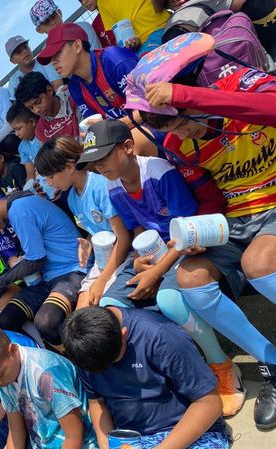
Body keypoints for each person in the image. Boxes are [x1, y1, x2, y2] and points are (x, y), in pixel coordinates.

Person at [133, 64, 276, 428]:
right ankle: (273, 364)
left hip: (275, 200)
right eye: (173, 129)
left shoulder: (240, 83)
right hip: (236, 220)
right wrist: (197, 234)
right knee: (190, 278)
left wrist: (188, 97)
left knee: (258, 263)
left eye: (184, 122)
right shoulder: (176, 144)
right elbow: (211, 197)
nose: (185, 133)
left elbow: (275, 108)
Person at [76, 119, 241, 417]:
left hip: (186, 247)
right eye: (94, 161)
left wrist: (156, 272)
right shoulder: (114, 187)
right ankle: (161, 367)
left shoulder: (159, 172)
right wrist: (141, 261)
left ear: (128, 147)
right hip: (151, 252)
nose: (99, 166)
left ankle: (219, 363)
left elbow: (188, 228)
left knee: (169, 300)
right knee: (112, 306)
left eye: (103, 157)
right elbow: (138, 229)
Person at [62, 307, 228, 449]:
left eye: (114, 361)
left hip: (184, 432)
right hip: (130, 437)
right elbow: (97, 403)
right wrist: (106, 444)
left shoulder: (161, 337)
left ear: (124, 335)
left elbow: (209, 403)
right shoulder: (83, 350)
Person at [0, 192, 84, 351]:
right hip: (47, 277)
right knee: (5, 321)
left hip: (70, 270)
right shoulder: (15, 209)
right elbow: (31, 256)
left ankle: (73, 358)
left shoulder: (19, 211)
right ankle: (41, 354)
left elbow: (35, 261)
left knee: (45, 322)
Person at [34, 136, 132, 307]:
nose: (49, 183)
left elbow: (123, 237)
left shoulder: (100, 187)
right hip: (104, 258)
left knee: (99, 305)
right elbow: (98, 229)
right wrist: (88, 242)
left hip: (124, 255)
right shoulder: (72, 198)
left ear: (70, 167)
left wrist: (102, 280)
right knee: (82, 311)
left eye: (51, 176)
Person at [0, 324, 97, 449]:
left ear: (13, 350)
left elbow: (74, 437)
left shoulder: (46, 373)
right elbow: (16, 431)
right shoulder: (3, 377)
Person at [38, 23, 138, 122]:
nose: (53, 62)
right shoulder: (74, 87)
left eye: (57, 53)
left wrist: (115, 127)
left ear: (77, 46)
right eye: (50, 58)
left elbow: (145, 109)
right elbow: (95, 126)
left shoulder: (113, 60)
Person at [86, 0, 170, 57]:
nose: (84, 2)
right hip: (138, 46)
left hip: (158, 28)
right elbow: (116, 36)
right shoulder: (101, 3)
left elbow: (159, 7)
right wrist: (129, 45)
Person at [14, 72, 81, 142]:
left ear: (49, 91)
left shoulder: (75, 98)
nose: (37, 110)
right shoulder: (41, 130)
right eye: (31, 108)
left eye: (38, 102)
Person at [6, 35, 62, 101]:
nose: (24, 51)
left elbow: (58, 86)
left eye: (25, 47)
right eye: (18, 52)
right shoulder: (14, 80)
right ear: (13, 61)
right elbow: (18, 104)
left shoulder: (43, 60)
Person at [30, 0, 101, 50]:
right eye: (46, 22)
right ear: (39, 30)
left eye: (53, 16)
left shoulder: (84, 28)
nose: (52, 22)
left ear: (59, 13)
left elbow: (99, 60)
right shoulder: (45, 55)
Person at [6, 102, 41, 179]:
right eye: (14, 130)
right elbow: (30, 174)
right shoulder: (22, 147)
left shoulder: (44, 135)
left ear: (32, 122)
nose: (16, 134)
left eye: (18, 129)